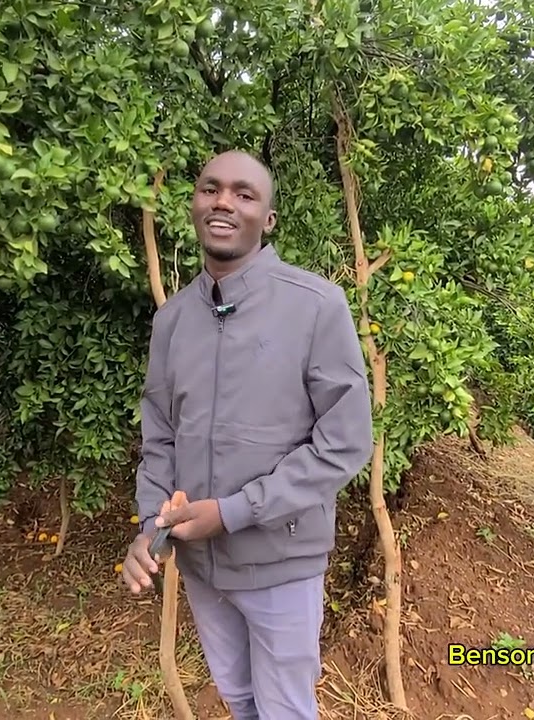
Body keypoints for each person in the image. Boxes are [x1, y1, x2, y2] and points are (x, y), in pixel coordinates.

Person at [119, 150, 374, 719]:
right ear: (194, 204)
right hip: (202, 565)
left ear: (269, 218)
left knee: (284, 710)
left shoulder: (316, 306)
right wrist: (149, 527)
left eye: (243, 193)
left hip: (281, 561)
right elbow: (160, 436)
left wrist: (233, 512)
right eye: (211, 189)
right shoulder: (174, 320)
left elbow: (345, 442)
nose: (224, 202)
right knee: (239, 702)